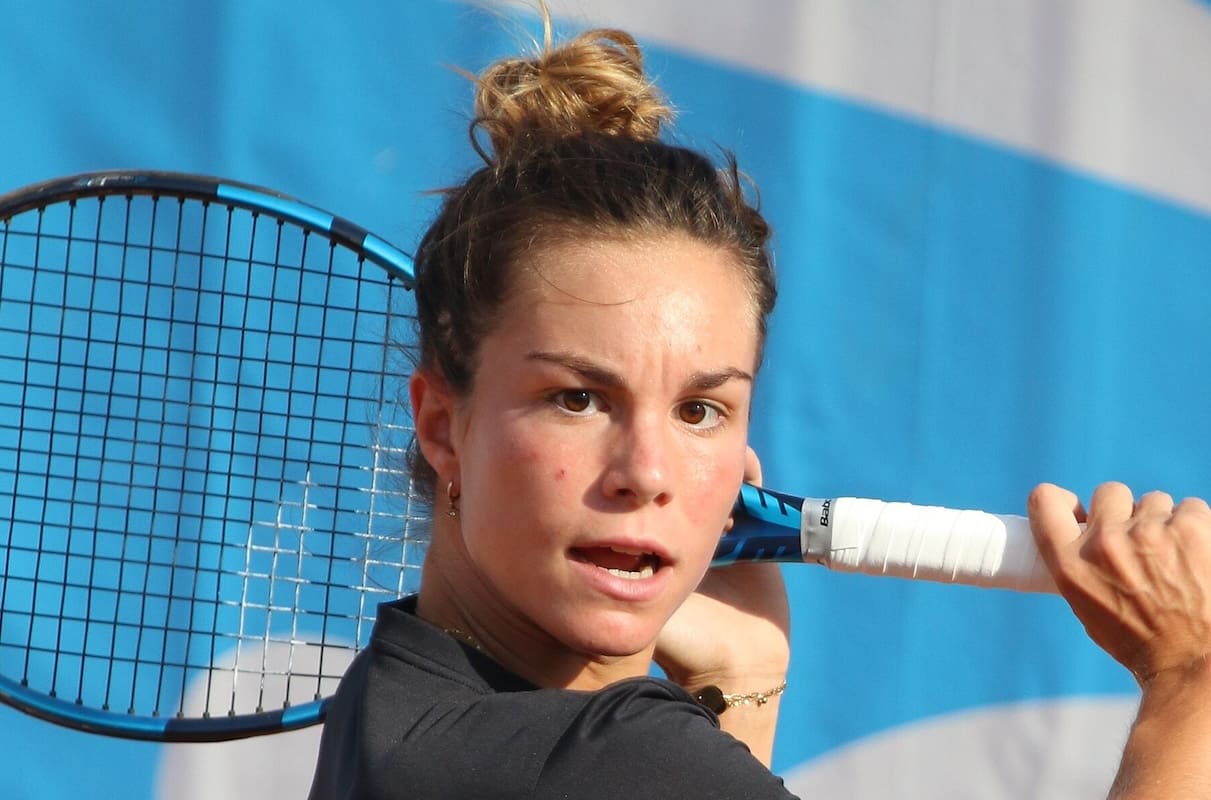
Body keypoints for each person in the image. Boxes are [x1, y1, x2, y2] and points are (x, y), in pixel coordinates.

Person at [309, 13, 1211, 799]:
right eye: (577, 399)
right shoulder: (610, 759)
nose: (648, 474)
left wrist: (742, 684)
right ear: (440, 426)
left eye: (699, 411)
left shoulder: (392, 700)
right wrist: (1186, 685)